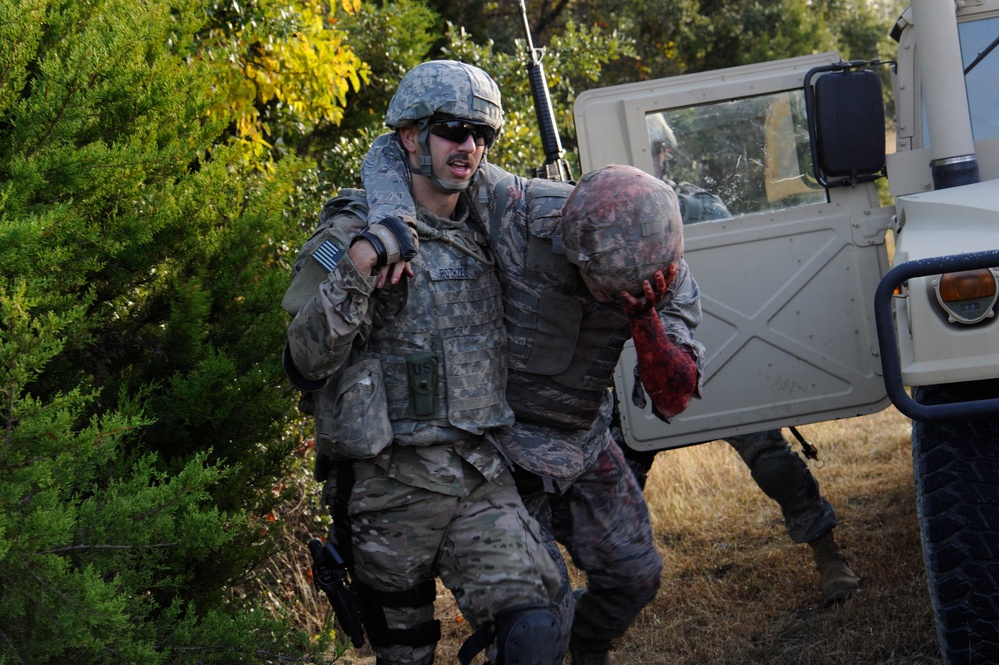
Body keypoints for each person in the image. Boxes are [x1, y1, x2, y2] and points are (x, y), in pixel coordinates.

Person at [362, 90, 706, 662]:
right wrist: (392, 222)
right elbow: (394, 150)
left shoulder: (661, 272)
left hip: (582, 443)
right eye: (604, 288)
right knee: (536, 617)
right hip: (500, 453)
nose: (611, 299)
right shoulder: (518, 210)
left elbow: (672, 399)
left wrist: (643, 317)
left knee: (635, 576)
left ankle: (587, 650)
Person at [281, 60, 564, 665]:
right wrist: (362, 262)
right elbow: (303, 361)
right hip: (387, 492)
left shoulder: (492, 231)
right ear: (410, 136)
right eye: (452, 129)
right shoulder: (352, 230)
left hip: (476, 476)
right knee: (405, 656)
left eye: (481, 135)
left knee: (535, 633)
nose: (469, 146)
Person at [618, 113, 861, 605]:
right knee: (615, 483)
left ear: (666, 154)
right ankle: (614, 588)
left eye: (657, 153)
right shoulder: (606, 218)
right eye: (647, 154)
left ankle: (828, 554)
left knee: (772, 461)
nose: (655, 162)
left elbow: (742, 275)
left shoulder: (699, 208)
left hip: (717, 356)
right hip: (640, 371)